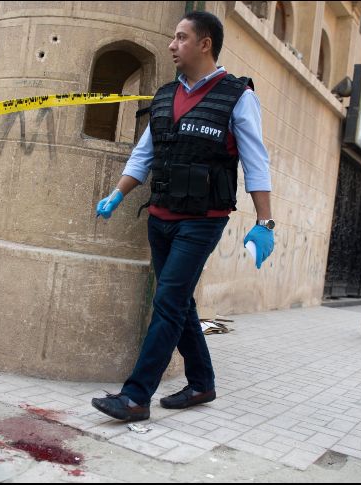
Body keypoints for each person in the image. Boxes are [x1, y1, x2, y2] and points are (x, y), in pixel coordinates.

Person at [90, 11, 274, 422]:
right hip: (160, 216)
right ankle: (202, 382)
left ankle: (136, 397)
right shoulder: (165, 95)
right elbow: (144, 154)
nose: (172, 45)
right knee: (178, 301)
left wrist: (265, 222)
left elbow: (256, 162)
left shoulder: (237, 96)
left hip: (202, 219)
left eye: (181, 38)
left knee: (168, 301)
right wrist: (117, 194)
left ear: (204, 44)